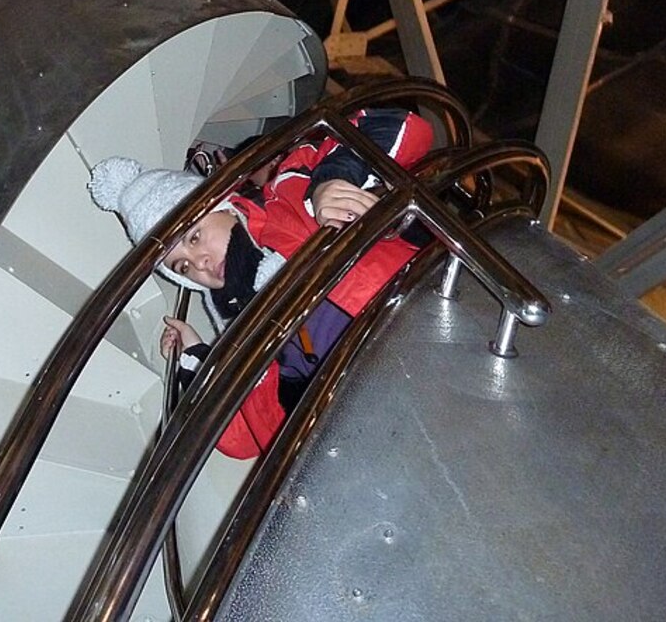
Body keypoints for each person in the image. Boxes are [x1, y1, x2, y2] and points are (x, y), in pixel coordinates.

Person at [87, 108, 434, 458]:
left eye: (194, 238)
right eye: (182, 266)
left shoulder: (288, 196)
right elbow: (244, 442)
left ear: (221, 205)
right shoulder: (240, 328)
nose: (200, 263)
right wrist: (196, 357)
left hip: (427, 324)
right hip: (384, 429)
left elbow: (403, 125)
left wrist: (331, 181)